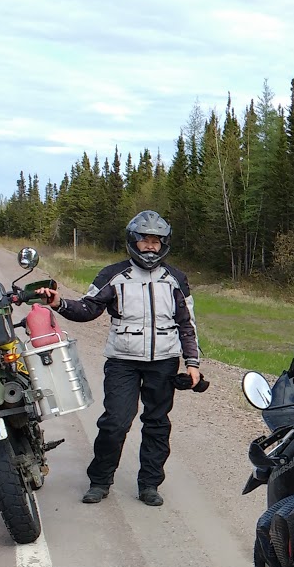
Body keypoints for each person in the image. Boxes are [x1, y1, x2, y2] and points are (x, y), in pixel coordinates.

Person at [38, 210, 200, 507]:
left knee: (157, 423)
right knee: (114, 423)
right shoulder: (113, 275)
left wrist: (193, 364)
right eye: (145, 240)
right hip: (122, 361)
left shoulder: (176, 278)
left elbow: (187, 324)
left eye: (156, 241)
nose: (151, 246)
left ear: (164, 243)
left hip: (164, 362)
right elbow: (87, 310)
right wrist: (58, 303)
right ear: (133, 241)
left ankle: (149, 484)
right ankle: (100, 481)